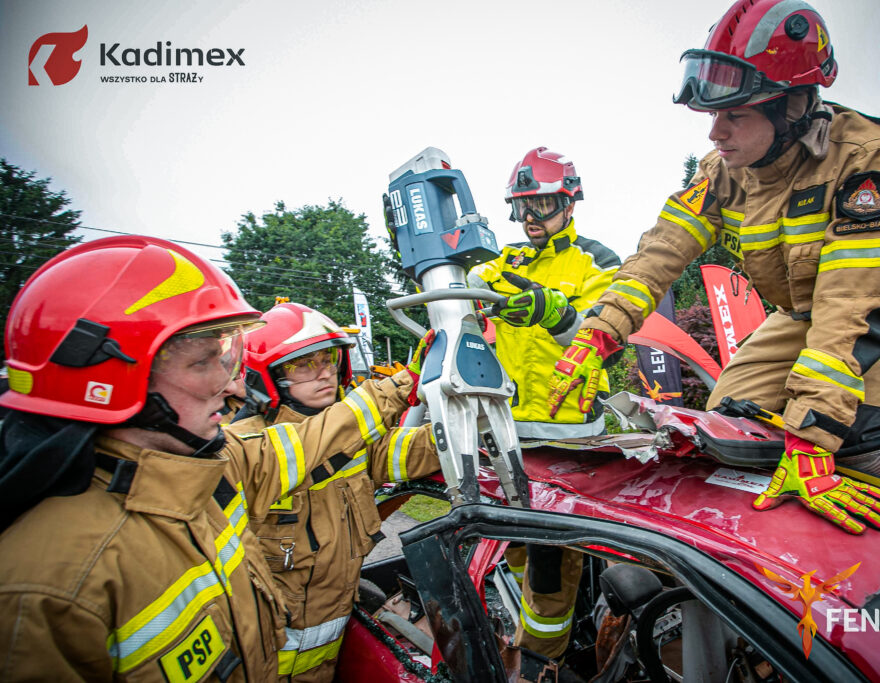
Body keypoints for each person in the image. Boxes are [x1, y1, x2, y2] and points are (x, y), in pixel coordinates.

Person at [548, 0, 880, 536]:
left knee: (868, 452)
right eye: (712, 115)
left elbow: (854, 300)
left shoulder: (868, 156)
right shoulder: (721, 171)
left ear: (792, 106)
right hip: (801, 312)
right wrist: (599, 333)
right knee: (729, 429)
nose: (715, 133)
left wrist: (812, 441)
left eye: (735, 115)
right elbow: (659, 254)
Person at [0, 236, 436, 680]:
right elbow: (313, 441)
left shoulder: (203, 469)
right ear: (109, 379)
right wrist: (403, 382)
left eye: (225, 360)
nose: (231, 386)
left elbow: (355, 443)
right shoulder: (42, 588)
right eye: (202, 363)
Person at [468, 147, 620, 660]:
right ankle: (538, 623)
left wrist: (556, 314)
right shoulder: (506, 262)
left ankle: (543, 662)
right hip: (511, 437)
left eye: (542, 204)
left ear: (570, 204)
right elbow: (467, 287)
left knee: (550, 568)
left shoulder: (597, 262)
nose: (529, 217)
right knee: (514, 545)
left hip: (570, 444)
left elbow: (605, 339)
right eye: (521, 206)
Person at [230, 302, 434, 680]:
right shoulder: (245, 446)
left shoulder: (352, 438)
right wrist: (405, 381)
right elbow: (318, 441)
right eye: (303, 364)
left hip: (329, 658)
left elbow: (410, 452)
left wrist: (470, 416)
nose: (323, 372)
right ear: (267, 375)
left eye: (328, 359)